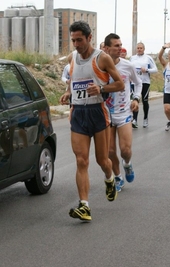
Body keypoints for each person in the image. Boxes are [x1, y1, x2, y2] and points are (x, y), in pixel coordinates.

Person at [59, 21, 124, 222]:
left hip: (98, 112)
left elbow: (120, 84)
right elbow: (72, 78)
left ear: (89, 38)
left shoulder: (102, 58)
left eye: (80, 40)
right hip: (78, 112)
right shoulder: (72, 57)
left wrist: (102, 89)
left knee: (102, 160)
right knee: (81, 160)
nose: (76, 44)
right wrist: (69, 91)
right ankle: (84, 206)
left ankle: (109, 178)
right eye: (73, 40)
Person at [103, 33, 141, 192]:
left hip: (124, 112)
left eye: (120, 45)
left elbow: (138, 83)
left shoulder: (128, 65)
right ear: (106, 48)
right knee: (110, 151)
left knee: (125, 150)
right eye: (116, 46)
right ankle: (118, 177)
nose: (120, 48)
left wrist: (136, 99)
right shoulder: (99, 66)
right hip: (106, 114)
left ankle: (127, 164)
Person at [129, 42, 158, 128]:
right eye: (138, 48)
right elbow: (129, 68)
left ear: (144, 49)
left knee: (145, 101)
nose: (139, 49)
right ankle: (134, 120)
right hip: (135, 82)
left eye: (141, 48)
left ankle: (145, 119)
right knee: (135, 100)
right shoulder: (132, 58)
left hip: (145, 82)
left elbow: (155, 69)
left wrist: (147, 70)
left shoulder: (148, 58)